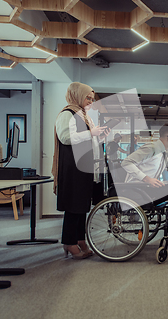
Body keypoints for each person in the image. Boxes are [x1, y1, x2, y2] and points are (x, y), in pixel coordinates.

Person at [52, 82, 110, 259]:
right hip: (73, 168)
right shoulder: (67, 114)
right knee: (73, 206)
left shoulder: (83, 115)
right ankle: (69, 242)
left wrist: (99, 136)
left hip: (83, 167)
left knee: (82, 206)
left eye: (92, 99)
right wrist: (91, 134)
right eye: (88, 98)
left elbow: (88, 142)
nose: (90, 101)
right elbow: (65, 137)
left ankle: (79, 239)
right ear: (77, 96)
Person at [121, 123, 168, 247]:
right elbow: (126, 162)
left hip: (147, 190)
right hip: (138, 190)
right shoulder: (151, 148)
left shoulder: (162, 152)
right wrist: (147, 179)